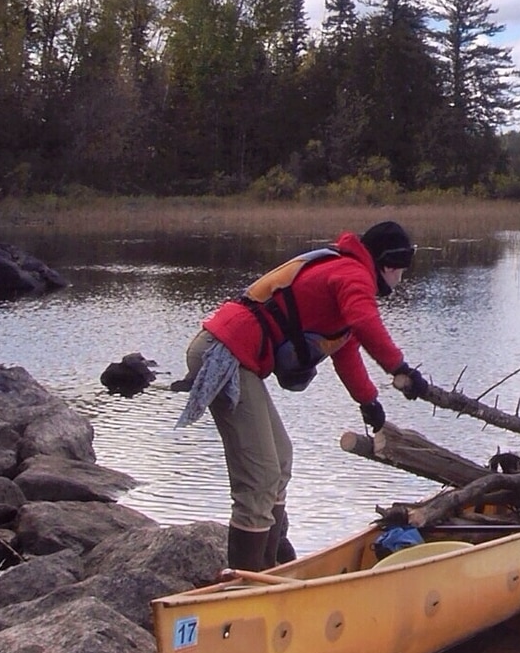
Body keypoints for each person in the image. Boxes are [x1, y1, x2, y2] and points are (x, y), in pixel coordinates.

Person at [179, 221, 430, 570]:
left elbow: (346, 348)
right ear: (388, 265)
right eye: (401, 271)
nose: (400, 280)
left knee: (280, 459)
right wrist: (400, 369)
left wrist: (369, 402)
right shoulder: (353, 275)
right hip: (224, 354)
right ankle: (245, 582)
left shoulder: (346, 272)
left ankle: (271, 564)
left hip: (239, 357)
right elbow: (364, 322)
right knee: (260, 475)